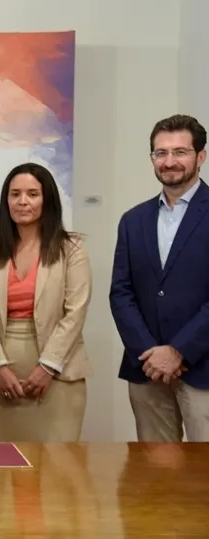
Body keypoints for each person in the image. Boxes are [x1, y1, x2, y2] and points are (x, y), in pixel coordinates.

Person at [0, 162, 92, 442]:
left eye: (32, 194)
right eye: (15, 194)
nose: (22, 201)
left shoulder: (71, 249)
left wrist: (48, 366)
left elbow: (75, 313)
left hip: (59, 378)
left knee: (58, 465)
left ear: (47, 200)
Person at [110, 114, 209, 442]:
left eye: (180, 152)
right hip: (146, 368)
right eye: (160, 152)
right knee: (155, 470)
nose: (169, 162)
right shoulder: (133, 220)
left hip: (203, 368)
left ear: (201, 156)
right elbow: (121, 293)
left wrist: (178, 351)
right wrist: (149, 351)